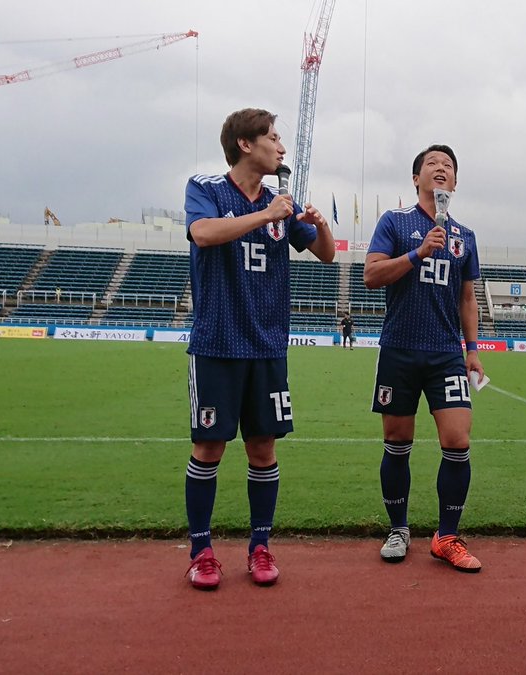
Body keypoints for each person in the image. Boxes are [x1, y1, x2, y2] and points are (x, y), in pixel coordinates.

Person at [181, 108, 335, 590]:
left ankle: (260, 546)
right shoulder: (205, 188)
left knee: (263, 449)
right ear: (246, 144)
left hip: (268, 346)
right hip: (216, 344)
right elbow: (202, 234)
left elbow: (327, 255)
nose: (282, 147)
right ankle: (202, 551)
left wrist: (319, 224)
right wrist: (265, 215)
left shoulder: (280, 203)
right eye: (273, 137)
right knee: (208, 448)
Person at [363, 144, 485, 573]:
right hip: (399, 349)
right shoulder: (395, 222)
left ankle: (446, 536)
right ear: (415, 179)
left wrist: (472, 351)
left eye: (448, 166)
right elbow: (371, 274)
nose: (440, 169)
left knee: (458, 441)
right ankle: (398, 528)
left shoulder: (465, 236)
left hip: (446, 355)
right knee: (397, 442)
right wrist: (417, 254)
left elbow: (468, 298)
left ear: (454, 183)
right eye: (431, 164)